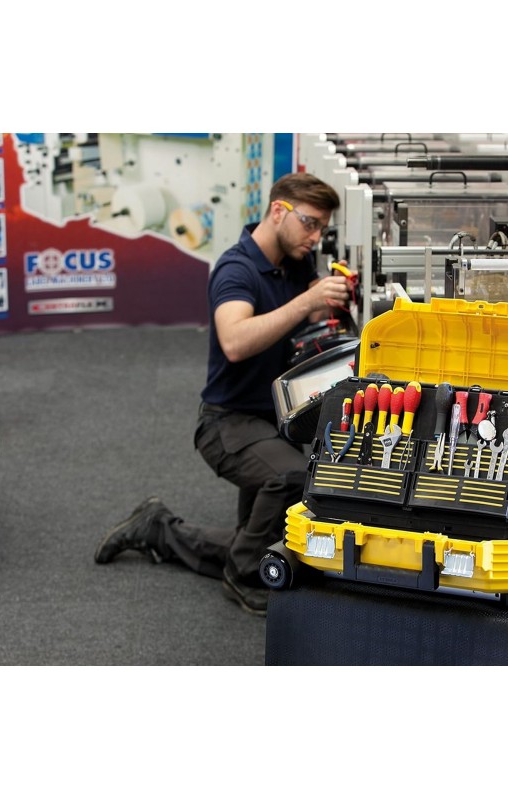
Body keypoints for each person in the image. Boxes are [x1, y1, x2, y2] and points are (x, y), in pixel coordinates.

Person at [94, 173, 351, 616]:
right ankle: (243, 576)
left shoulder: (294, 261)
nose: (315, 237)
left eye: (322, 229)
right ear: (278, 211)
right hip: (226, 424)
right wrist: (306, 303)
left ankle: (159, 528)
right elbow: (234, 341)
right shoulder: (236, 269)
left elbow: (301, 313)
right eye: (310, 224)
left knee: (262, 538)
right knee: (293, 477)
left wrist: (327, 294)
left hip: (270, 421)